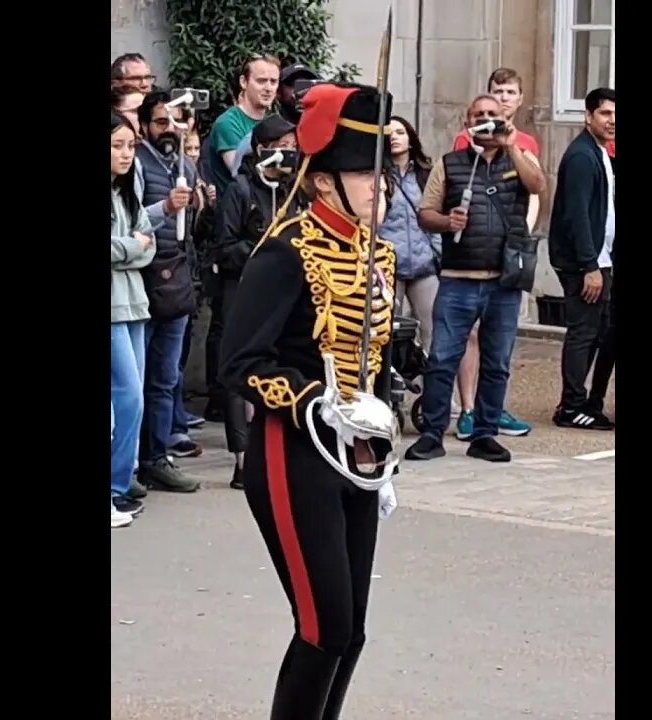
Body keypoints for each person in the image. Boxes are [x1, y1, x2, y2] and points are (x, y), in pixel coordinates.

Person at [219, 82, 400, 719]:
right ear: (324, 182)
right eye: (363, 173)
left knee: (351, 630)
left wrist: (381, 432)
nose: (379, 185)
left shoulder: (379, 252)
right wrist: (314, 404)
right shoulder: (285, 250)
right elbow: (241, 362)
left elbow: (373, 357)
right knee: (322, 626)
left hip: (361, 459)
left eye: (383, 172)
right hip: (294, 450)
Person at [406, 95, 546, 463]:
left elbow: (537, 185)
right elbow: (425, 213)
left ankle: (485, 433)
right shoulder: (449, 165)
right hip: (457, 278)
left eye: (492, 115)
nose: (485, 120)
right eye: (478, 115)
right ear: (467, 123)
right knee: (442, 359)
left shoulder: (518, 158)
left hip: (503, 281)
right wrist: (446, 221)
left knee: (497, 361)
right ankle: (432, 433)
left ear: (504, 118)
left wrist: (511, 145)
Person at [207, 115, 302, 490]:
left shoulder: (295, 189)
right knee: (239, 369)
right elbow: (223, 248)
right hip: (243, 287)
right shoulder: (240, 189)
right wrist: (261, 245)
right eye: (280, 148)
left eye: (292, 148)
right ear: (262, 149)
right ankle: (243, 457)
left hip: (285, 291)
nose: (286, 155)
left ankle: (277, 450)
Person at [446, 67, 539, 439]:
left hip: (511, 246)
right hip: (474, 250)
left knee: (500, 335)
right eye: (497, 91)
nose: (503, 98)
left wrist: (523, 234)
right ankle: (468, 407)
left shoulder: (527, 142)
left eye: (510, 92)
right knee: (469, 333)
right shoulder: (463, 141)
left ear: (518, 100)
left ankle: (493, 406)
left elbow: (533, 190)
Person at [133, 91, 204, 491]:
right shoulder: (138, 164)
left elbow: (192, 230)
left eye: (176, 123)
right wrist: (167, 207)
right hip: (144, 279)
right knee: (137, 379)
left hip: (177, 279)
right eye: (161, 122)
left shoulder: (185, 166)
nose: (170, 131)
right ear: (145, 125)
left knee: (165, 376)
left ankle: (156, 458)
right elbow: (129, 219)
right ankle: (130, 463)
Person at [549, 88, 615, 431]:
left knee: (596, 331)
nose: (612, 120)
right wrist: (590, 265)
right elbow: (577, 215)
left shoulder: (598, 152)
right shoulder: (581, 156)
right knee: (583, 332)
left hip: (598, 259)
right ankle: (572, 406)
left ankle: (579, 402)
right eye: (605, 113)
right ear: (588, 116)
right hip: (582, 262)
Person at [111, 112, 158, 527]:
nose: (126, 154)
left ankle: (120, 485)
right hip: (113, 309)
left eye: (130, 146)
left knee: (134, 397)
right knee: (126, 397)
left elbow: (151, 243)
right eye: (117, 146)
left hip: (133, 303)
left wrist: (128, 248)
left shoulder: (127, 193)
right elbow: (136, 245)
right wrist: (131, 247)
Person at [378, 115, 439, 350]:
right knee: (389, 332)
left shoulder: (426, 174)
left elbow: (435, 214)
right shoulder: (378, 174)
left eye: (400, 132)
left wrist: (437, 254)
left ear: (411, 139)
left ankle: (429, 385)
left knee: (432, 331)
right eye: (389, 133)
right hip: (389, 265)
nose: (394, 137)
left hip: (424, 264)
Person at [207, 54, 280, 197]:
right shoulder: (227, 123)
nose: (268, 88)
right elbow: (239, 171)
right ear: (243, 82)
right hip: (238, 212)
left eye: (273, 81)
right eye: (261, 81)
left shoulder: (275, 121)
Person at [229, 63, 319, 176]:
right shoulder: (262, 134)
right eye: (292, 85)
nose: (300, 92)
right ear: (278, 92)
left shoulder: (325, 133)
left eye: (307, 85)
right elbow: (238, 176)